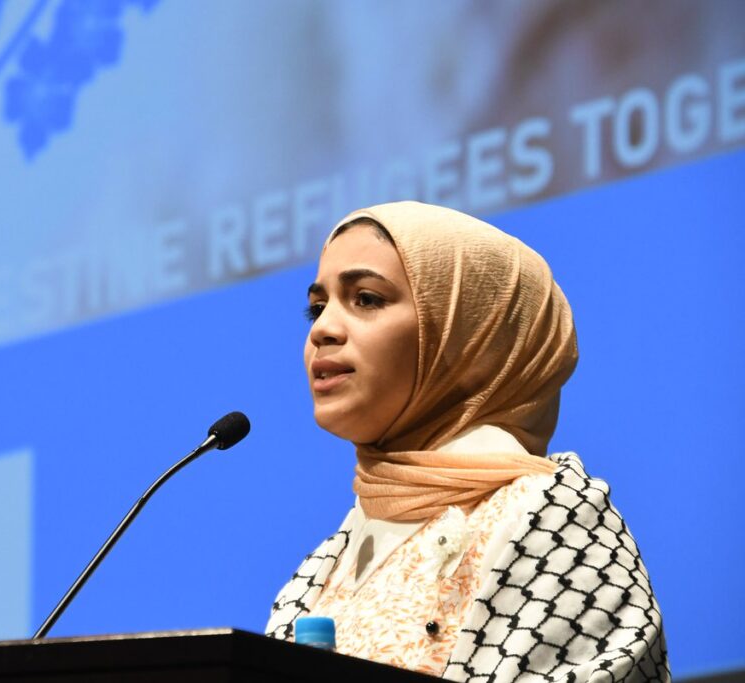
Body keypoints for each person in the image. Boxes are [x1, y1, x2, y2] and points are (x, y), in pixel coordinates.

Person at [265, 201, 669, 682]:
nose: (324, 329)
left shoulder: (552, 514)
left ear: (472, 333)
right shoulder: (319, 572)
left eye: (367, 299)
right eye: (316, 307)